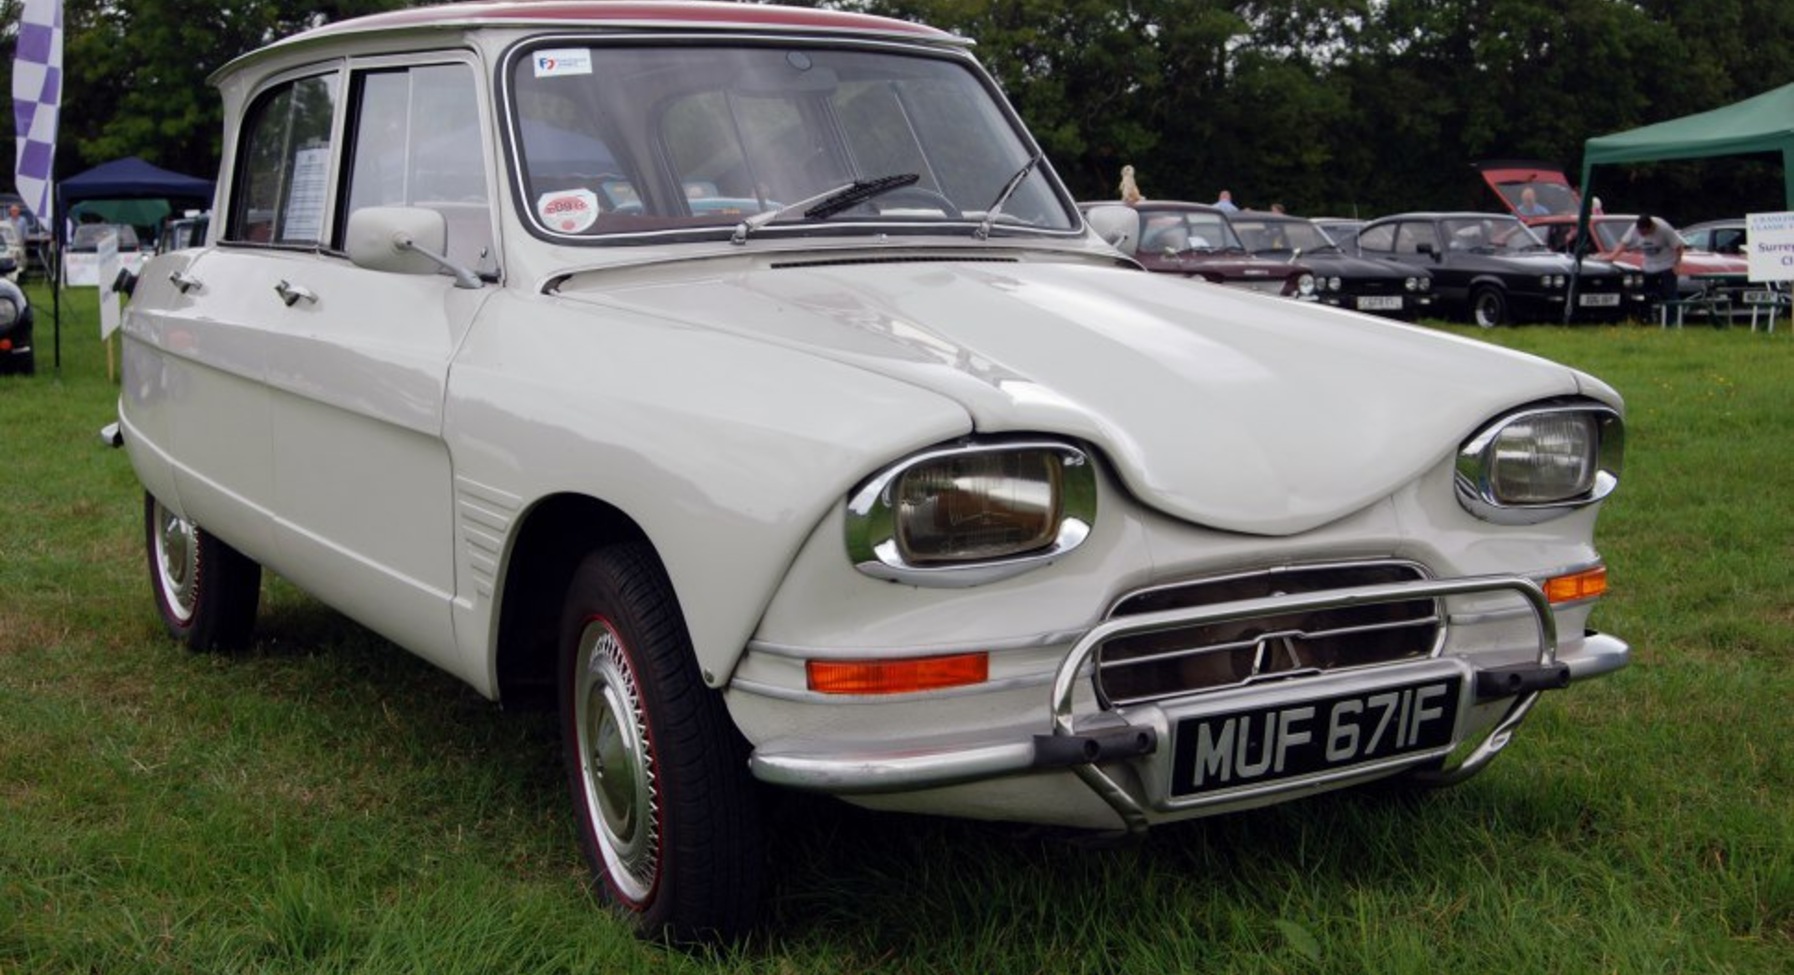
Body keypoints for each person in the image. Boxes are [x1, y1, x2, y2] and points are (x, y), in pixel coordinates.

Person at [1600, 213, 1685, 312]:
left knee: (1669, 293)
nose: (1642, 235)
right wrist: (1612, 256)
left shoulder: (1663, 228)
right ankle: (1648, 317)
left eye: (1644, 232)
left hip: (1667, 265)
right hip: (1649, 266)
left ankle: (1672, 320)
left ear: (1651, 227)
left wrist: (1677, 264)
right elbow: (1624, 243)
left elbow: (1678, 246)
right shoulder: (1634, 229)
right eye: (1640, 232)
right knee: (1647, 294)